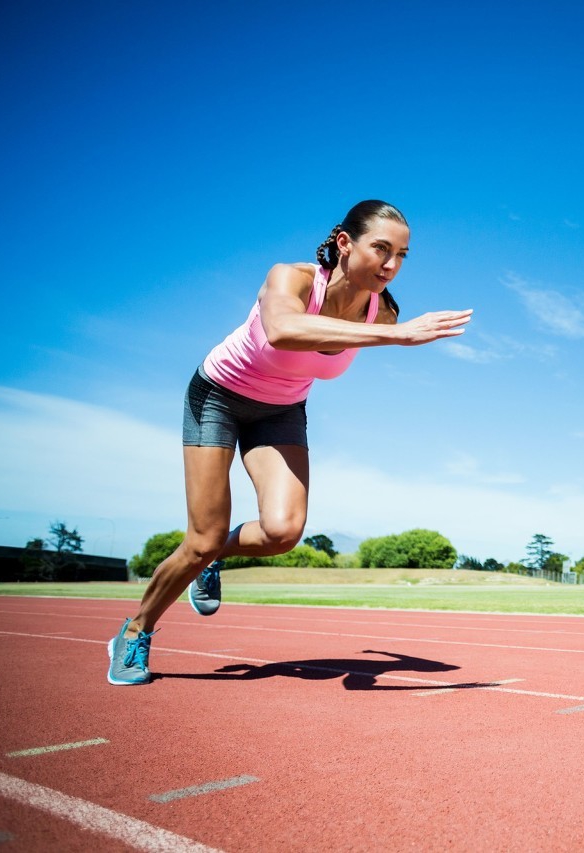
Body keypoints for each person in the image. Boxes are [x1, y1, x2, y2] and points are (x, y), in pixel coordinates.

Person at [107, 200, 472, 685]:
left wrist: (393, 332)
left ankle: (211, 559)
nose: (391, 265)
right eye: (381, 249)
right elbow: (282, 330)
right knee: (203, 538)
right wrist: (399, 337)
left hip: (281, 410)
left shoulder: (382, 312)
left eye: (402, 255)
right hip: (218, 397)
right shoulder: (293, 279)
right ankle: (135, 631)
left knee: (283, 532)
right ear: (345, 242)